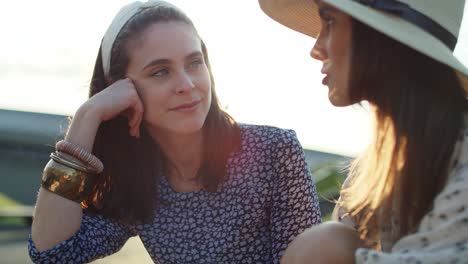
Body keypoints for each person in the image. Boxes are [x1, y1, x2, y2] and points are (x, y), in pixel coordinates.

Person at [28, 1, 321, 263]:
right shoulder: (139, 183)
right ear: (120, 89)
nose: (187, 84)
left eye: (194, 63)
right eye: (160, 72)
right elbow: (52, 254)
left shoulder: (274, 151)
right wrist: (87, 115)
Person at [258, 0, 468, 263]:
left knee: (324, 245)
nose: (316, 48)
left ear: (382, 36)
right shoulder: (375, 166)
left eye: (330, 21)